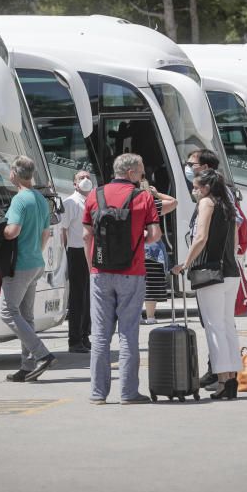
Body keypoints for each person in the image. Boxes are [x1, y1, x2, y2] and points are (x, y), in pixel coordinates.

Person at [82, 153, 161, 404]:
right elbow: (155, 234)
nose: (142, 176)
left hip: (100, 272)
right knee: (128, 333)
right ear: (130, 173)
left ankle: (97, 393)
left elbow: (86, 235)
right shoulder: (143, 196)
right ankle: (128, 393)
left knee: (101, 335)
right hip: (132, 271)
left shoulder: (95, 195)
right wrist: (139, 243)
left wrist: (91, 267)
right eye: (140, 172)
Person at [172, 170, 242, 400]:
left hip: (210, 272)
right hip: (231, 272)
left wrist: (185, 263)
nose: (194, 191)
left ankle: (222, 380)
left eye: (196, 187)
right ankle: (231, 378)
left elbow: (200, 237)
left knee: (214, 327)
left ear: (206, 188)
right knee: (228, 325)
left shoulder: (206, 203)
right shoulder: (227, 205)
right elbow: (234, 241)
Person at [0, 156, 55, 383]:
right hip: (35, 263)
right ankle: (27, 366)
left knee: (7, 311)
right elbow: (46, 233)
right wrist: (37, 252)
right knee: (26, 316)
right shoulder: (41, 199)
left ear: (14, 173)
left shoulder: (20, 200)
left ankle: (41, 354)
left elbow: (12, 232)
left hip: (20, 265)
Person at [60, 170, 94, 353]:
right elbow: (63, 231)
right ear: (74, 184)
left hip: (90, 251)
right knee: (78, 297)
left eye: (88, 177)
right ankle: (74, 339)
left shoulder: (92, 200)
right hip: (76, 252)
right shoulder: (70, 202)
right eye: (81, 178)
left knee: (89, 296)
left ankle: (84, 335)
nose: (86, 180)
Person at [141, 179, 177, 325]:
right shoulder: (152, 205)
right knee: (151, 283)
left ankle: (136, 316)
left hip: (134, 249)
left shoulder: (127, 205)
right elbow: (173, 202)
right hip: (153, 250)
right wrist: (157, 194)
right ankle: (150, 317)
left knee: (134, 284)